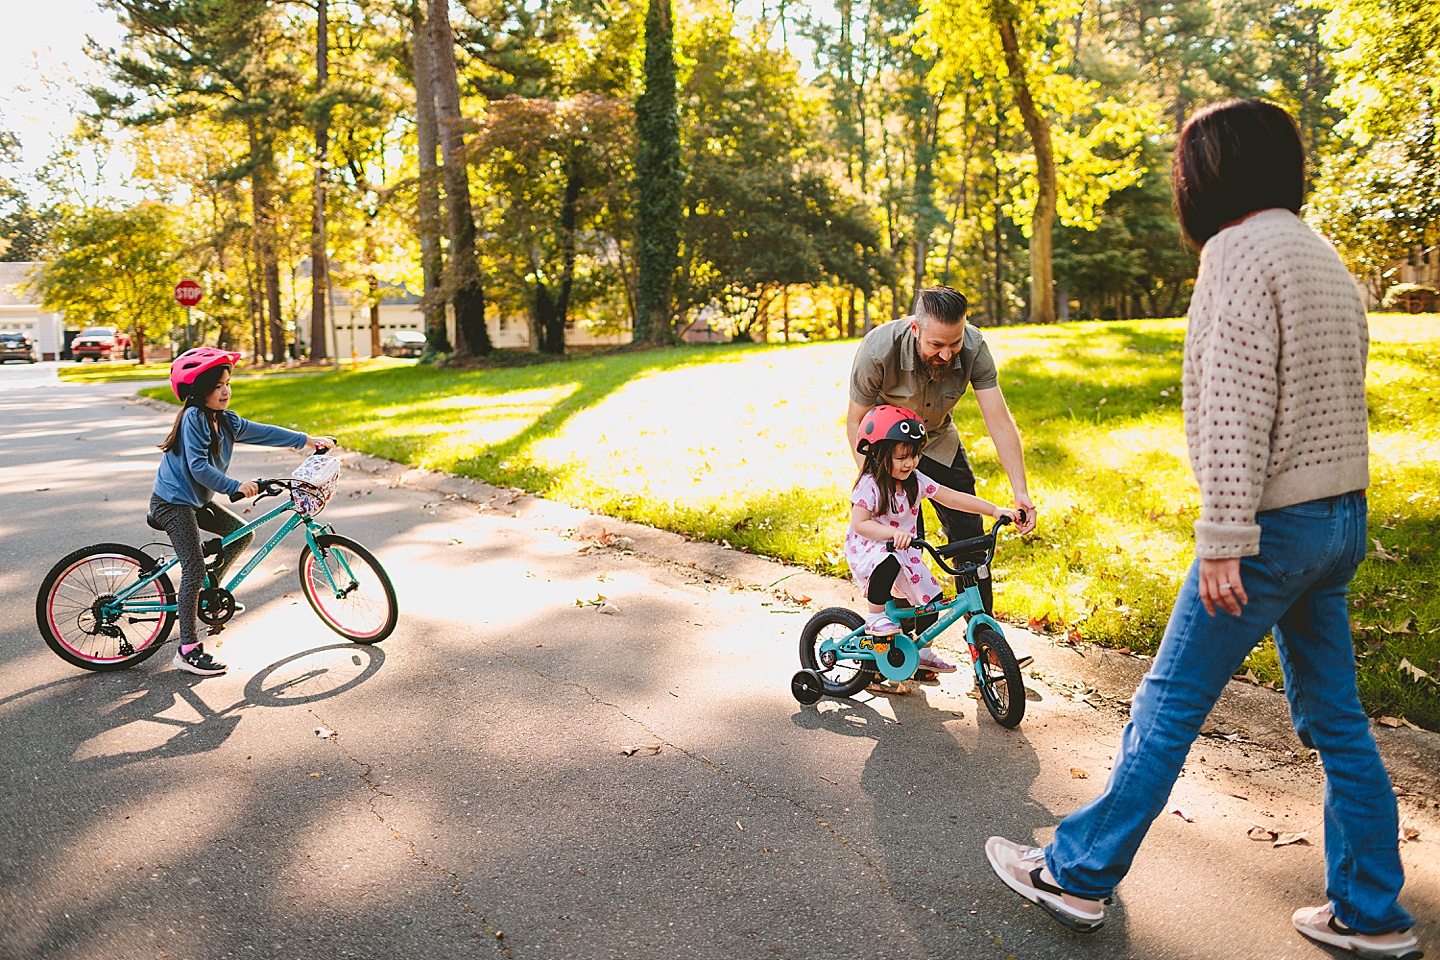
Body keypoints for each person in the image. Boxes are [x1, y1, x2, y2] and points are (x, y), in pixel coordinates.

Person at [985, 99, 1423, 960]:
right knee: (1339, 721)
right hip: (1341, 517)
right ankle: (1373, 913)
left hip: (1267, 528)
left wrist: (1224, 536)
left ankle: (1076, 876)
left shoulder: (1236, 250)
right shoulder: (1321, 252)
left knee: (1167, 705)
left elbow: (1233, 406)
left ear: (1210, 175)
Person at [847, 286, 1037, 646]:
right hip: (890, 454)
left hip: (939, 441)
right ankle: (899, 650)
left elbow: (998, 419)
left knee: (971, 539)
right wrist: (881, 483)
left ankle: (984, 643)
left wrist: (1020, 491)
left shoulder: (974, 347)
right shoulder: (878, 349)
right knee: (901, 547)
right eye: (936, 345)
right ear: (915, 330)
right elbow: (856, 422)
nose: (947, 353)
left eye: (954, 343)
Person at [151, 347, 334, 677]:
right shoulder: (194, 418)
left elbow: (264, 432)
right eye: (216, 385)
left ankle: (210, 594)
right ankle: (188, 650)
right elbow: (198, 467)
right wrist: (234, 485)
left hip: (196, 502)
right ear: (197, 391)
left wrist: (309, 440)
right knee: (193, 568)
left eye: (227, 382)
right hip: (173, 504)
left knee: (241, 535)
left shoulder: (226, 421)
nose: (225, 391)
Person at [846, 405, 1020, 674]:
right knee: (888, 562)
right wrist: (893, 533)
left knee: (930, 597)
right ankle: (875, 616)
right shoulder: (870, 484)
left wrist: (994, 510)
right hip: (871, 546)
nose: (910, 463)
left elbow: (951, 497)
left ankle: (923, 651)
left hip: (904, 548)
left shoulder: (914, 479)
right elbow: (860, 524)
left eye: (915, 455)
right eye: (902, 457)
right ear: (880, 456)